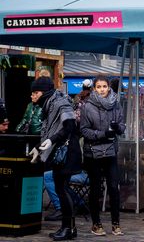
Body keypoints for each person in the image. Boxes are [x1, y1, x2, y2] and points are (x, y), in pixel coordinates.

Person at [34, 76, 82, 241]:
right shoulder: (49, 105)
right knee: (62, 188)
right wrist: (39, 149)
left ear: (44, 92)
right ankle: (69, 228)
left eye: (36, 92)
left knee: (62, 188)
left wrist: (52, 140)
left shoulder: (60, 103)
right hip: (60, 153)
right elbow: (50, 130)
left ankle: (68, 228)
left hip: (67, 153)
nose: (32, 96)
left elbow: (70, 126)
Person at [80, 75, 126, 236]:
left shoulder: (116, 104)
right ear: (94, 89)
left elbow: (122, 125)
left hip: (111, 151)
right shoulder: (87, 106)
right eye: (98, 87)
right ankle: (96, 224)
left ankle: (116, 224)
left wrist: (117, 128)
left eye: (104, 86)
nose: (102, 90)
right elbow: (84, 130)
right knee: (96, 189)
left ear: (109, 87)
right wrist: (102, 133)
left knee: (114, 187)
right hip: (93, 152)